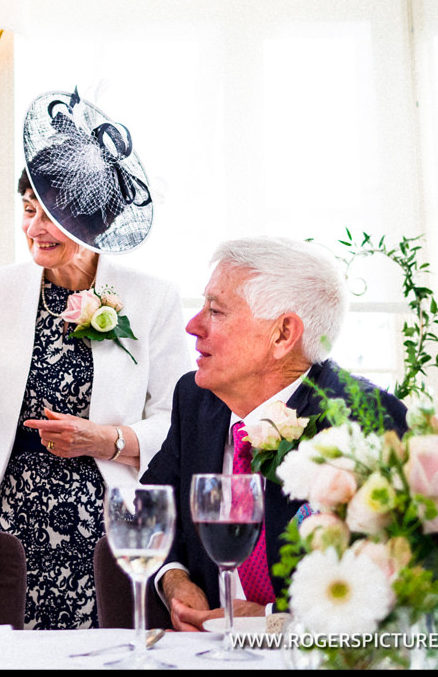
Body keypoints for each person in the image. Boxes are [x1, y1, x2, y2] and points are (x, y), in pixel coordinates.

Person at [0, 89, 191, 630]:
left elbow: (177, 420)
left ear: (95, 224)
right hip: (8, 517)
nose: (35, 229)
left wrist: (107, 439)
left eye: (53, 217)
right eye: (29, 210)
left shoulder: (151, 296)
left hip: (107, 524)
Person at [140, 236, 410, 631]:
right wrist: (174, 579)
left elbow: (388, 579)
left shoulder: (368, 423)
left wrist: (273, 620)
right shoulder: (196, 399)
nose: (193, 325)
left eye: (215, 310)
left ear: (283, 334)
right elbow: (149, 507)